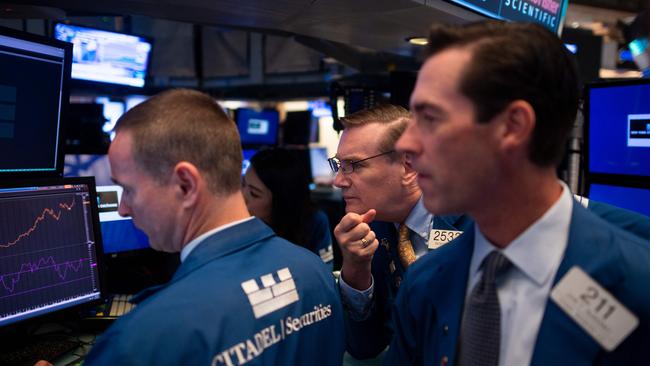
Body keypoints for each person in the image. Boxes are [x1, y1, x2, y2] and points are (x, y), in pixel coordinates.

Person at [391, 21, 650, 365]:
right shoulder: (425, 284)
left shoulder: (636, 286)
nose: (406, 143)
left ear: (513, 126)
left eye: (430, 118)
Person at [71, 89, 344, 365]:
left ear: (185, 185)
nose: (123, 208)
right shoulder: (315, 272)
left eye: (128, 189)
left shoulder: (140, 340)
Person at [329, 104, 472, 359]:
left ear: (408, 166)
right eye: (339, 164)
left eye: (354, 165)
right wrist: (355, 270)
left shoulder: (475, 221)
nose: (338, 180)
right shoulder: (371, 228)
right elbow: (365, 346)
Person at [243, 147, 334, 269]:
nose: (242, 197)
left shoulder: (314, 222)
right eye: (242, 184)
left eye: (254, 194)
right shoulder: (239, 222)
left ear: (281, 201)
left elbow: (324, 274)